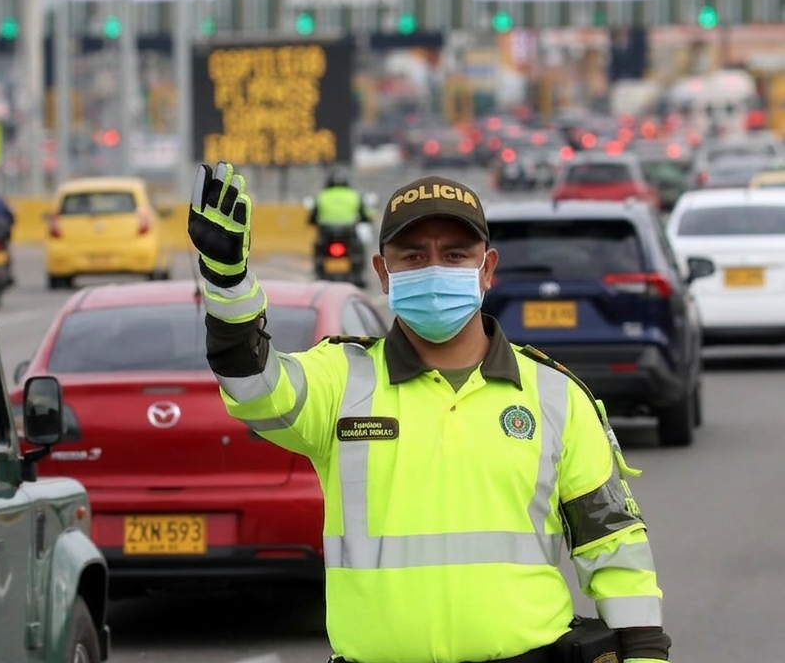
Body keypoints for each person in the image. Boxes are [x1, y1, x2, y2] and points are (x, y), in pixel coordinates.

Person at [186, 161, 671, 663]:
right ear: (382, 271)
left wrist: (644, 653)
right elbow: (252, 385)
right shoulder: (339, 379)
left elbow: (612, 545)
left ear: (487, 269)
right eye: (413, 256)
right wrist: (229, 284)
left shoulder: (556, 395)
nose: (434, 269)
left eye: (455, 254)